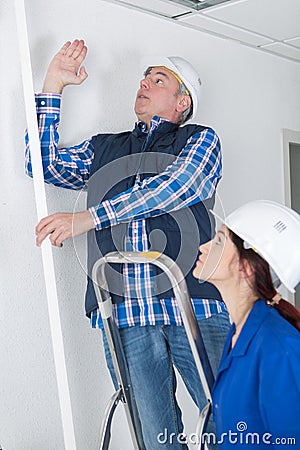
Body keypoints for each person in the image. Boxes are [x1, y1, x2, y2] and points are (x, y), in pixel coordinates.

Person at [25, 39, 230, 449]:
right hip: (124, 312)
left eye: (158, 79)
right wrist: (53, 85)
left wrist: (88, 218)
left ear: (182, 101)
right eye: (143, 77)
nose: (144, 83)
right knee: (154, 438)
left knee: (232, 417)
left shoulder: (199, 140)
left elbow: (177, 186)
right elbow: (41, 164)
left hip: (193, 302)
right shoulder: (107, 148)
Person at [193, 199, 300, 449]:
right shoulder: (239, 335)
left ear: (247, 268)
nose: (204, 246)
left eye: (219, 241)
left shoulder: (279, 348)